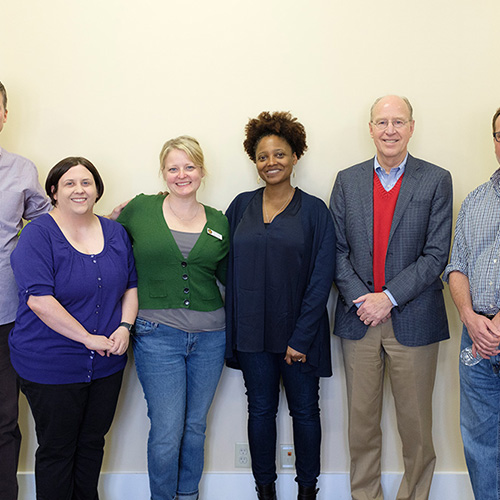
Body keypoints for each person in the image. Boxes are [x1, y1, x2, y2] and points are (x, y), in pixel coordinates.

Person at [330, 95, 452, 500]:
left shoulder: (436, 179)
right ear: (370, 129)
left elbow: (436, 254)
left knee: (416, 426)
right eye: (381, 122)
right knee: (361, 424)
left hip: (413, 319)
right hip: (358, 318)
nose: (390, 130)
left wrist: (388, 298)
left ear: (411, 127)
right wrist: (363, 299)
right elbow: (336, 250)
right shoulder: (347, 180)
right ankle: (365, 495)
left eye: (398, 122)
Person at [9, 157, 138, 500]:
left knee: (92, 444)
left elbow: (130, 287)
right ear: (53, 191)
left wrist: (125, 327)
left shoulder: (115, 233)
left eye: (86, 183)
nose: (79, 190)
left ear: (97, 190)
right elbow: (39, 300)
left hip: (107, 364)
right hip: (50, 364)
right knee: (57, 450)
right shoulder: (37, 235)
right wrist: (87, 338)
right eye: (69, 183)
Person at [225, 111, 336, 500]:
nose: (271, 162)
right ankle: (265, 491)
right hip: (251, 334)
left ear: (295, 156)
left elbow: (322, 278)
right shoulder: (239, 207)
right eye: (262, 156)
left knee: (305, 413)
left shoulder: (316, 211)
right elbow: (223, 263)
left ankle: (308, 491)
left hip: (298, 337)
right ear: (254, 162)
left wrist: (302, 337)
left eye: (280, 154)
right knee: (259, 412)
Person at [114, 135, 229, 500]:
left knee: (195, 427)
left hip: (211, 336)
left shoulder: (219, 221)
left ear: (202, 170)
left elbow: (231, 277)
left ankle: (188, 496)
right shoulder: (140, 209)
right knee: (166, 430)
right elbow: (102, 237)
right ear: (163, 173)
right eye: (173, 168)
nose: (182, 175)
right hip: (156, 335)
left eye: (189, 166)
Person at [444, 107, 500, 500]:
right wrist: (468, 316)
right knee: (480, 443)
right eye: (499, 134)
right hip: (476, 339)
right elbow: (456, 265)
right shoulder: (477, 199)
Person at [0, 81, 51, 500]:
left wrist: (107, 222)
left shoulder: (22, 170)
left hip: (7, 313)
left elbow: (52, 224)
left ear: (3, 115)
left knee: (3, 418)